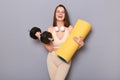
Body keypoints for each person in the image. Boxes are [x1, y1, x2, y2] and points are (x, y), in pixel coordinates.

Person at [45, 4, 84, 80]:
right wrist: (40, 37)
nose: (60, 14)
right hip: (51, 59)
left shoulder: (70, 29)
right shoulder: (50, 29)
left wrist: (80, 44)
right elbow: (50, 49)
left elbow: (74, 46)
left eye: (62, 12)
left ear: (65, 15)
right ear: (55, 14)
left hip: (65, 59)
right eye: (58, 12)